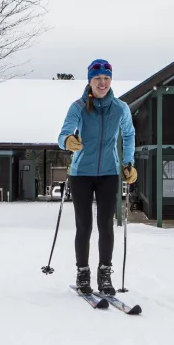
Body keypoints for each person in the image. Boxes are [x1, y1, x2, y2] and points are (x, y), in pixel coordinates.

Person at [57, 59, 137, 295]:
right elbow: (63, 134)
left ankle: (105, 274)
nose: (102, 83)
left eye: (106, 78)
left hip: (109, 173)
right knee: (84, 226)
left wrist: (128, 163)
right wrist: (67, 141)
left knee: (106, 225)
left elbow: (129, 135)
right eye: (97, 78)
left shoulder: (121, 108)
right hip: (81, 174)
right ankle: (83, 273)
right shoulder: (78, 107)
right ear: (90, 81)